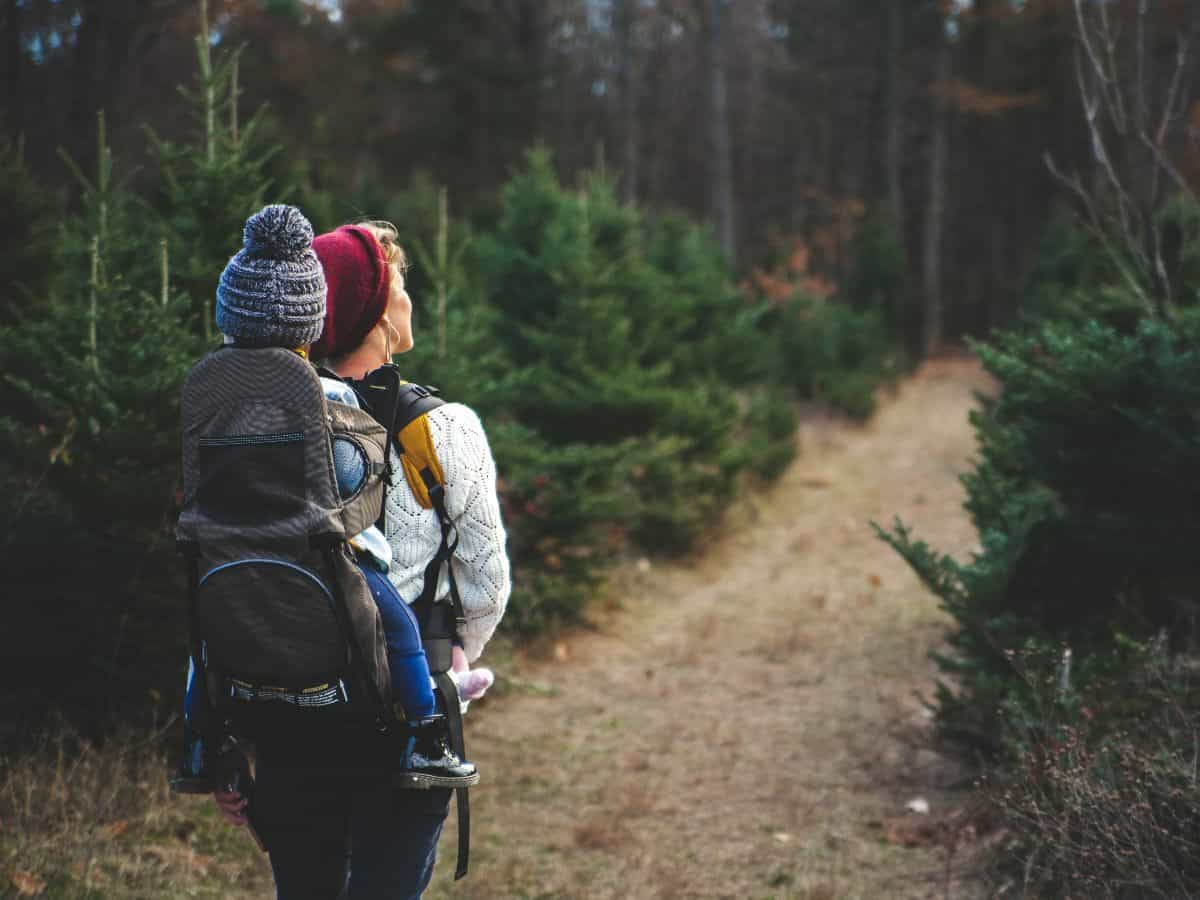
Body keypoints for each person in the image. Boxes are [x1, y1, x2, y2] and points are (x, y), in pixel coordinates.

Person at [197, 206, 510, 898]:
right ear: (373, 310)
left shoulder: (264, 423)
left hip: (285, 715)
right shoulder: (442, 426)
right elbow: (486, 581)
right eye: (398, 284)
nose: (409, 297)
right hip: (401, 722)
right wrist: (448, 672)